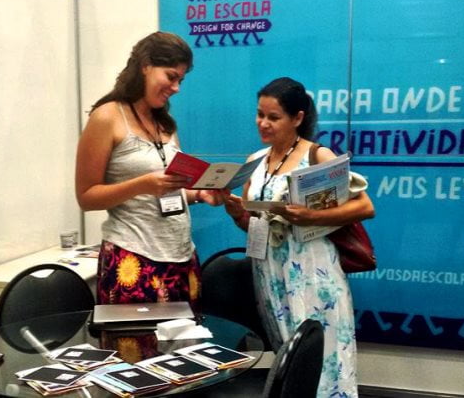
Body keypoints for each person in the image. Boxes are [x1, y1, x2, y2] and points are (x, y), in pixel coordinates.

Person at [223, 77, 375, 397]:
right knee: (289, 364)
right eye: (260, 114)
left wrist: (311, 216)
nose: (263, 123)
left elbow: (365, 206)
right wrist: (239, 214)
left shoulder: (317, 156)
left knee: (325, 358)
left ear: (298, 118)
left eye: (273, 117)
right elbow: (253, 226)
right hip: (270, 274)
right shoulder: (255, 161)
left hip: (313, 271)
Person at [75, 31, 224, 310]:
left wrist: (201, 193)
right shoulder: (107, 117)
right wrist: (141, 185)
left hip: (181, 256)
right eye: (170, 76)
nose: (176, 87)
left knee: (183, 351)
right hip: (133, 258)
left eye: (181, 79)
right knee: (136, 350)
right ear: (145, 66)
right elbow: (86, 197)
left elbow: (167, 190)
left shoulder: (165, 124)